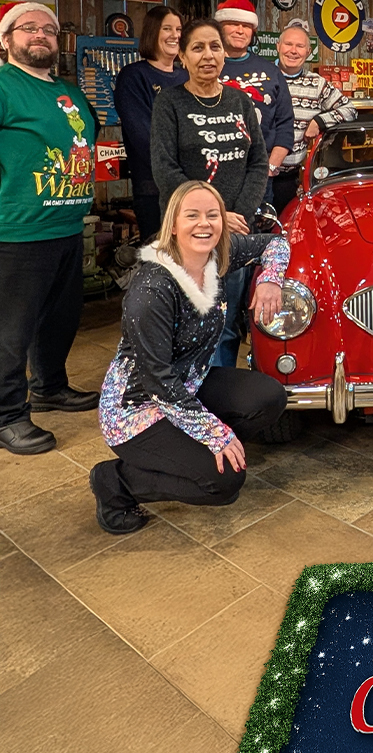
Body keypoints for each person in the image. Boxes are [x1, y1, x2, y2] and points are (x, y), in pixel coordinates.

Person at [90, 181, 289, 533]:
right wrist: (215, 434)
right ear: (173, 224)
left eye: (213, 215)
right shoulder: (152, 289)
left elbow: (276, 243)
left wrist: (270, 280)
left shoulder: (216, 254)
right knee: (224, 483)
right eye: (192, 215)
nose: (204, 224)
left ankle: (196, 455)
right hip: (137, 408)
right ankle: (115, 481)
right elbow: (157, 381)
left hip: (188, 384)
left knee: (269, 397)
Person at [0, 2, 100, 456]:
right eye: (29, 28)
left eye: (49, 29)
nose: (40, 35)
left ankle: (49, 386)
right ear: (7, 40)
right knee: (11, 331)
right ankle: (7, 415)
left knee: (60, 319)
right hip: (17, 231)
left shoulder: (67, 91)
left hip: (66, 224)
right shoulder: (5, 85)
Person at [151, 18, 269, 369]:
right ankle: (187, 393)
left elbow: (258, 163)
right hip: (189, 235)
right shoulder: (169, 103)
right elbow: (165, 169)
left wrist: (239, 216)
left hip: (234, 234)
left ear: (224, 54)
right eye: (197, 48)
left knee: (227, 324)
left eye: (215, 47)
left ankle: (221, 392)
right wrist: (214, 217)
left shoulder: (240, 102)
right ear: (182, 57)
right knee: (189, 324)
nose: (208, 55)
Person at [113, 4, 186, 244]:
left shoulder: (187, 76)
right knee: (160, 256)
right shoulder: (133, 76)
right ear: (152, 32)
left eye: (178, 29)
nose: (175, 35)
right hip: (154, 189)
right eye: (167, 28)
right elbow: (144, 138)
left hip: (193, 187)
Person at [215, 0, 295, 191]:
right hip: (213, 174)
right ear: (219, 27)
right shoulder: (205, 68)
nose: (240, 30)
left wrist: (270, 168)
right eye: (233, 24)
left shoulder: (271, 72)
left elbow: (285, 124)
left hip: (257, 175)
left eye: (246, 26)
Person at [275, 18, 344, 213]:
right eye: (288, 44)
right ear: (278, 46)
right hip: (254, 174)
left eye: (300, 46)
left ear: (308, 51)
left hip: (289, 178)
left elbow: (348, 109)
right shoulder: (263, 77)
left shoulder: (317, 84)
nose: (293, 51)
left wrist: (319, 121)